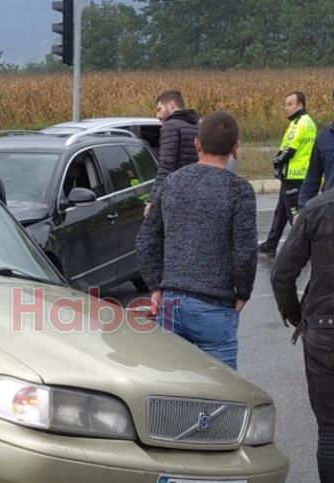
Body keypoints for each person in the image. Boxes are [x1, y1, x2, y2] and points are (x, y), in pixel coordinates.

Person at [136, 112, 256, 370]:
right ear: (235, 148)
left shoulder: (171, 183)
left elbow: (146, 239)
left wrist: (156, 287)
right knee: (220, 385)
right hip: (216, 305)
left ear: (197, 144)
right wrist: (243, 292)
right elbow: (245, 252)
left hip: (171, 302)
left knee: (171, 383)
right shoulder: (240, 191)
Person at [270, 187, 334, 483]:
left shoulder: (317, 209)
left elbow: (281, 275)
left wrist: (297, 315)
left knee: (330, 430)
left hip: (325, 328)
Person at [259, 91, 317, 257]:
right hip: (300, 174)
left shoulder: (299, 123)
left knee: (294, 216)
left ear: (300, 105)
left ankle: (309, 249)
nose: (286, 108)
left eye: (290, 104)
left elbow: (289, 150)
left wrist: (276, 162)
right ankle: (271, 244)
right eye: (285, 104)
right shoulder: (308, 122)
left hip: (293, 175)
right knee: (281, 212)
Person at [149, 90, 200, 201]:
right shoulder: (196, 126)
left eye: (159, 109)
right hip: (196, 191)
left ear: (171, 105)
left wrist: (153, 200)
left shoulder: (170, 126)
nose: (157, 116)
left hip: (177, 194)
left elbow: (166, 166)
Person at [298, 89, 334, 208]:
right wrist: (302, 210)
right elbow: (311, 180)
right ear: (332, 106)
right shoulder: (324, 137)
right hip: (330, 211)